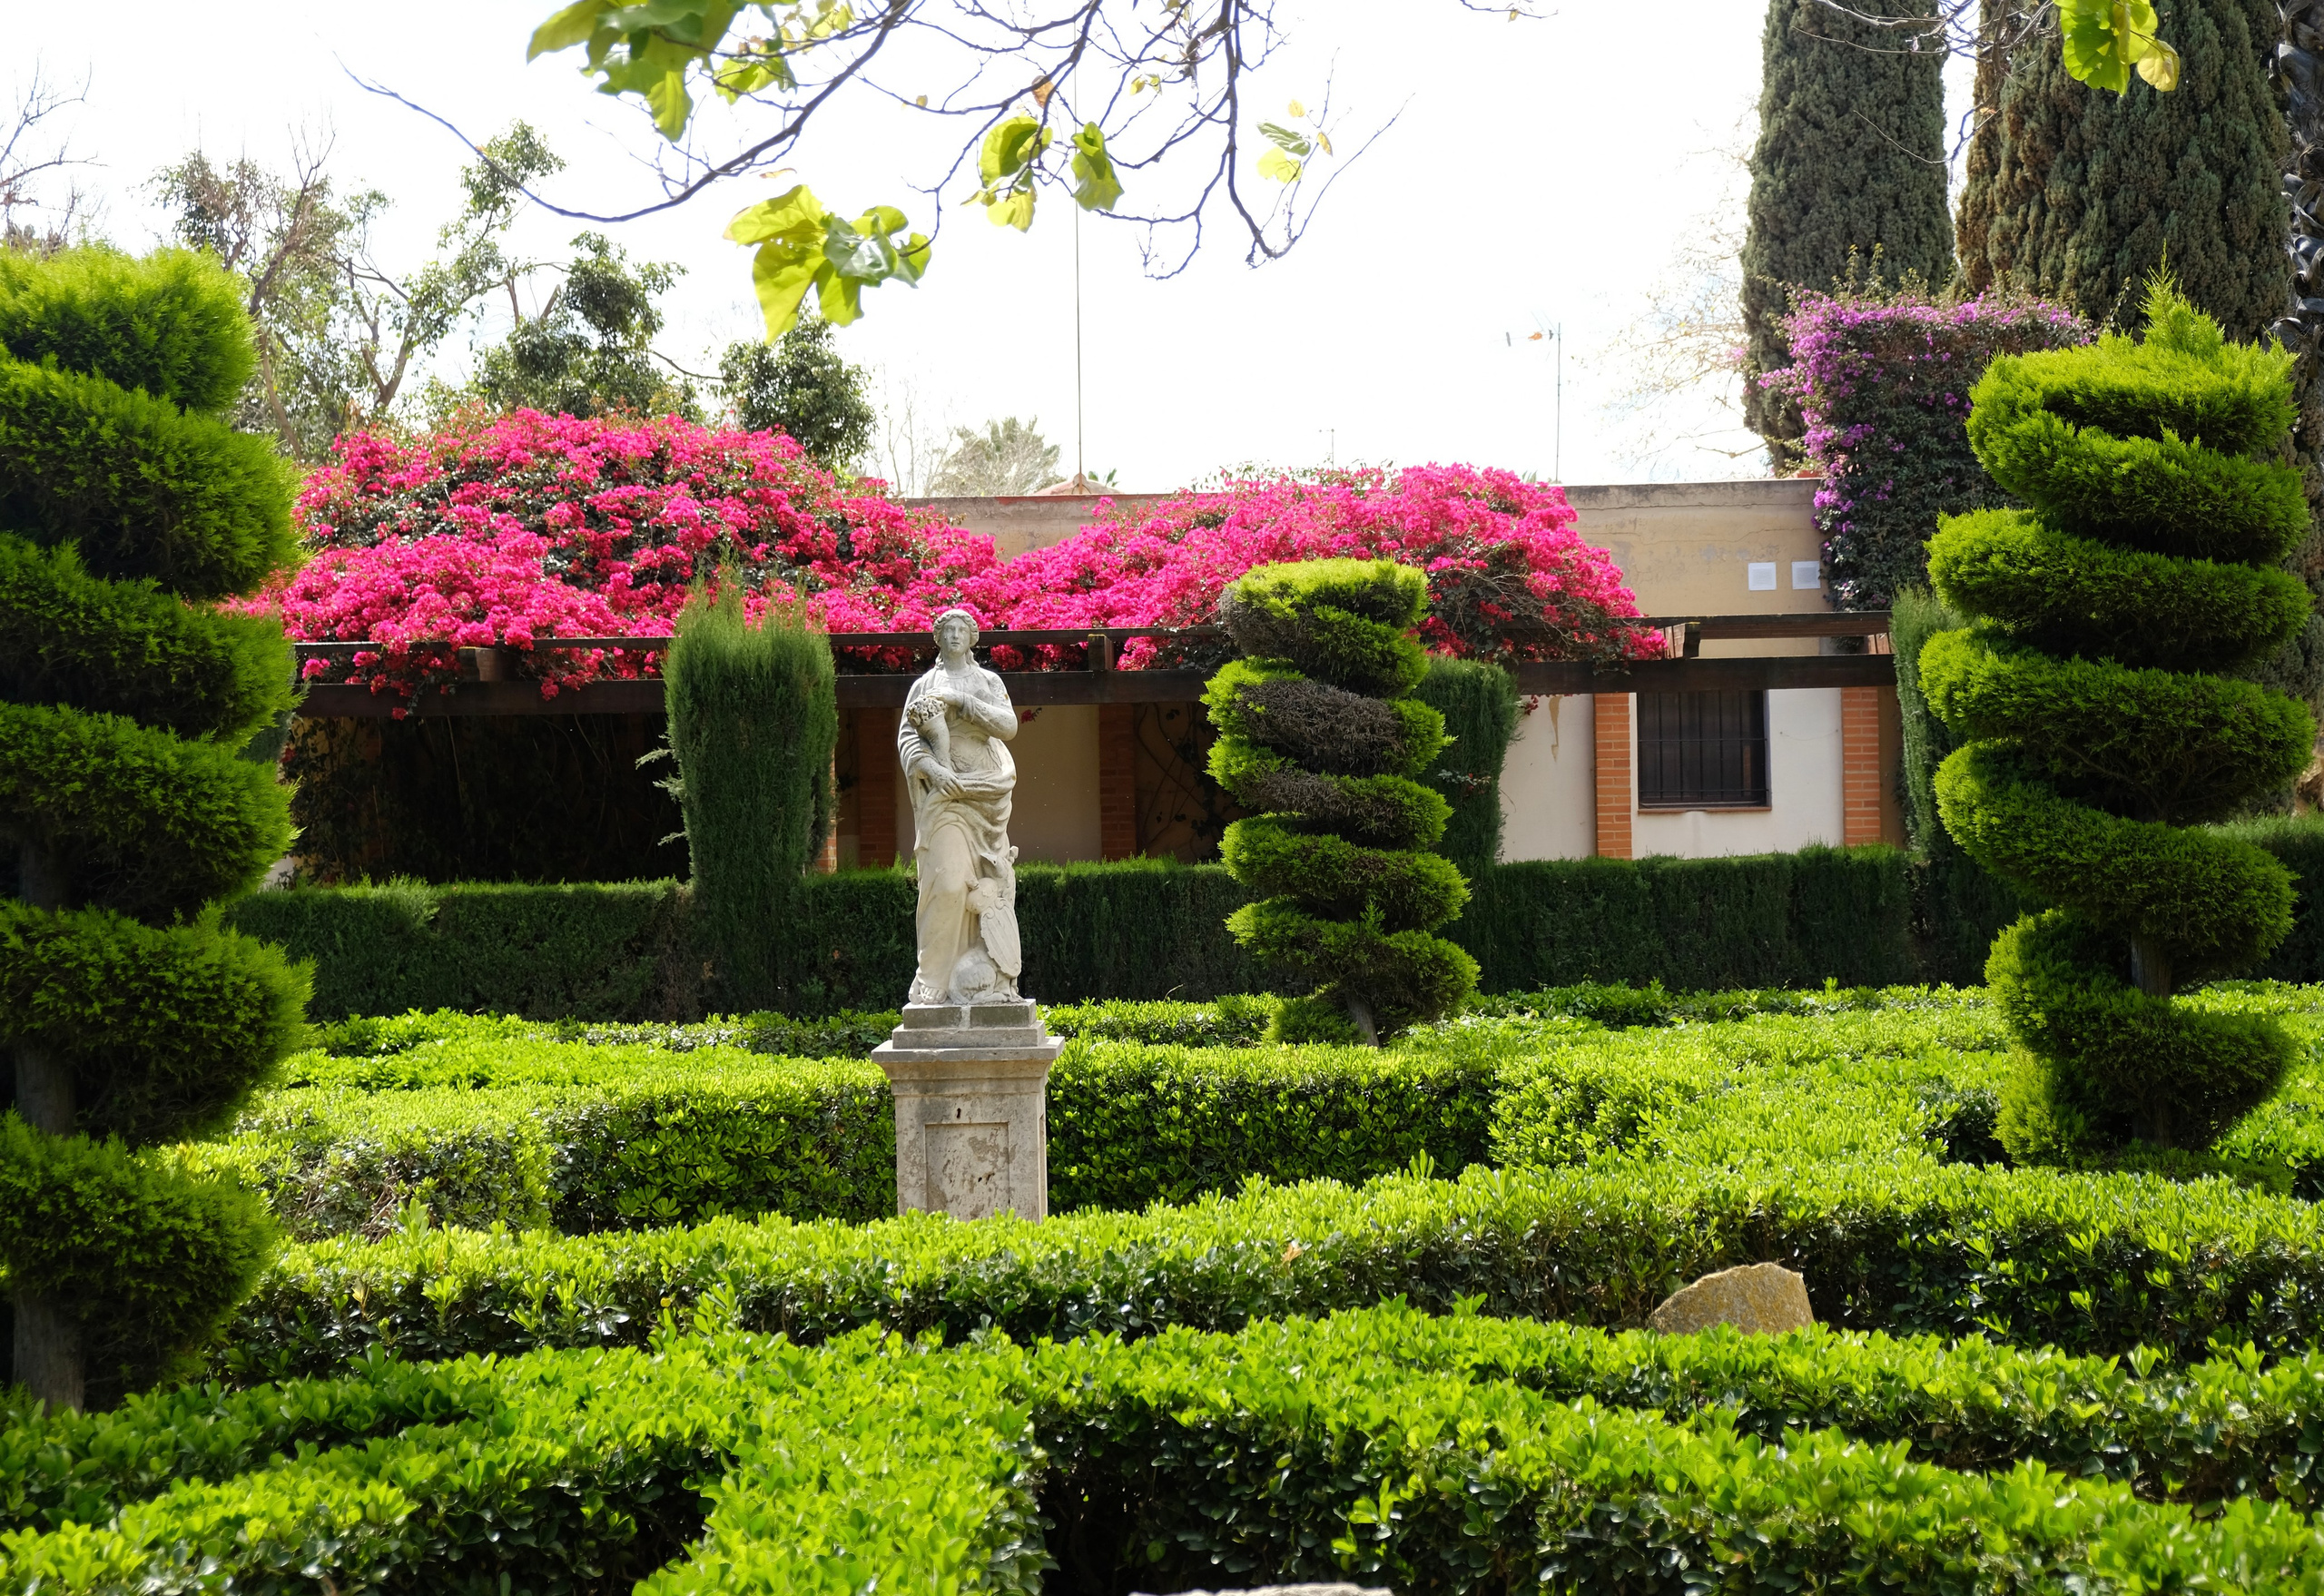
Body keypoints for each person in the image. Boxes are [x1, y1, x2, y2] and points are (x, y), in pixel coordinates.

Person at [898, 607, 1024, 1003]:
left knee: (994, 886)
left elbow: (1008, 727)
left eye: (961, 630)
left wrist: (961, 700)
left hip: (987, 792)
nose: (954, 635)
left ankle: (992, 976)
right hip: (947, 792)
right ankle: (933, 975)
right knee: (949, 883)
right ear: (937, 638)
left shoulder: (988, 681)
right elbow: (907, 738)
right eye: (946, 630)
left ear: (972, 639)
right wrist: (932, 770)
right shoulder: (923, 685)